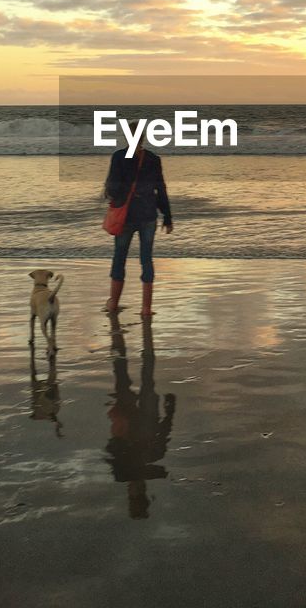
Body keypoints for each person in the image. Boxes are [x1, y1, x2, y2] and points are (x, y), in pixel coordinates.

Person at [105, 314, 176, 518]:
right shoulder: (151, 463)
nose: (135, 490)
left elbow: (111, 445)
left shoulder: (123, 471)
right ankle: (125, 334)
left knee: (126, 373)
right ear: (142, 492)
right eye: (138, 495)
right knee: (140, 373)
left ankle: (119, 334)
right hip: (142, 420)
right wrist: (170, 410)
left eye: (133, 495)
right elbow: (162, 434)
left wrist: (170, 411)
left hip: (131, 420)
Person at [102, 127, 173, 316]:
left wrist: (114, 196)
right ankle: (146, 308)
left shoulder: (118, 157)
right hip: (148, 214)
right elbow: (161, 188)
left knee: (119, 258)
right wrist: (167, 216)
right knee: (146, 259)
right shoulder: (153, 159)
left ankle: (113, 303)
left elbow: (112, 186)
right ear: (143, 137)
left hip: (126, 216)